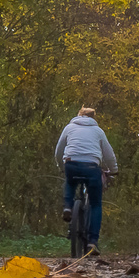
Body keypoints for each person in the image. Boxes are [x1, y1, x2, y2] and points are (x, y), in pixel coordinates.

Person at [54, 106, 118, 251]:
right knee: (95, 204)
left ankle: (68, 207)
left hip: (71, 163)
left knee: (70, 182)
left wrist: (61, 166)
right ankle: (92, 242)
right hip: (91, 167)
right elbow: (109, 154)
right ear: (93, 118)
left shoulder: (69, 128)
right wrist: (114, 170)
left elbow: (59, 150)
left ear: (78, 115)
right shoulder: (98, 131)